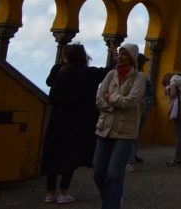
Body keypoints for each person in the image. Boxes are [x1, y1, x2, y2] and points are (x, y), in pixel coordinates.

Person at [40, 43, 106, 204]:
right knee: (71, 154)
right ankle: (63, 192)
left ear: (65, 56)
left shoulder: (60, 72)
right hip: (79, 120)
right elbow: (108, 70)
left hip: (59, 118)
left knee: (54, 153)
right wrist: (115, 53)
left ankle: (50, 193)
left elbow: (51, 93)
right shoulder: (89, 73)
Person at [93, 44, 145, 209]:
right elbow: (99, 99)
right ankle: (111, 198)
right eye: (119, 54)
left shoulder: (139, 77)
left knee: (114, 173)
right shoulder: (110, 74)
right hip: (105, 128)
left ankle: (111, 205)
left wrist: (110, 97)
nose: (120, 56)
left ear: (132, 57)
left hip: (125, 131)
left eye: (124, 54)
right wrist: (114, 103)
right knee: (98, 172)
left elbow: (130, 101)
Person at [129, 53, 153, 167]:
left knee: (130, 132)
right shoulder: (142, 76)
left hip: (132, 106)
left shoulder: (132, 75)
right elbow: (151, 91)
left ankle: (131, 155)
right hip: (142, 107)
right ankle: (131, 156)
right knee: (134, 133)